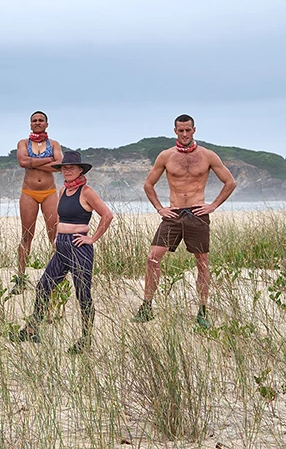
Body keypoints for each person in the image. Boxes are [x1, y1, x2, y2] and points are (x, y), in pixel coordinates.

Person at [132, 114, 236, 327]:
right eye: (181, 130)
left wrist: (213, 206)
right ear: (175, 131)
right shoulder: (166, 156)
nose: (185, 134)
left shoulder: (207, 155)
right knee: (153, 258)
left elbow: (230, 182)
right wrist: (160, 208)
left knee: (202, 262)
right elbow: (148, 185)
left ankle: (203, 311)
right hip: (174, 214)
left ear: (194, 130)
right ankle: (146, 307)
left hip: (198, 214)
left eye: (188, 130)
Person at [16, 151, 113, 354]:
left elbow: (107, 215)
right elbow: (61, 218)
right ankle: (32, 329)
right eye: (64, 168)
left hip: (79, 247)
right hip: (62, 247)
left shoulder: (87, 191)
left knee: (83, 294)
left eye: (71, 168)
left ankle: (85, 339)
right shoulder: (63, 190)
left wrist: (92, 238)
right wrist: (58, 237)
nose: (67, 171)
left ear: (80, 170)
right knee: (43, 286)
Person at [12, 111, 63, 295]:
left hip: (49, 193)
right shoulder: (23, 143)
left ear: (46, 124)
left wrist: (32, 162)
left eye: (41, 120)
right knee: (27, 236)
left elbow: (59, 166)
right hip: (29, 193)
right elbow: (22, 161)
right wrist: (48, 160)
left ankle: (58, 277)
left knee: (55, 236)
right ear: (30, 124)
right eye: (34, 120)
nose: (37, 122)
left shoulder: (54, 144)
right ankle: (20, 278)